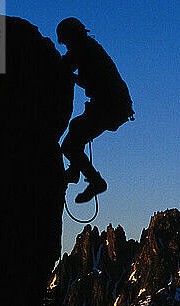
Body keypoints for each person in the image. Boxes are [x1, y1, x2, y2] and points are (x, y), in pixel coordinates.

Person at [57, 17, 134, 203]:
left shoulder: (83, 49)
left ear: (71, 37)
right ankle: (79, 173)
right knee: (75, 134)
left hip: (110, 105)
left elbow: (67, 65)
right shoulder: (89, 48)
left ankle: (93, 180)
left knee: (70, 143)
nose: (66, 46)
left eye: (66, 41)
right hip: (114, 105)